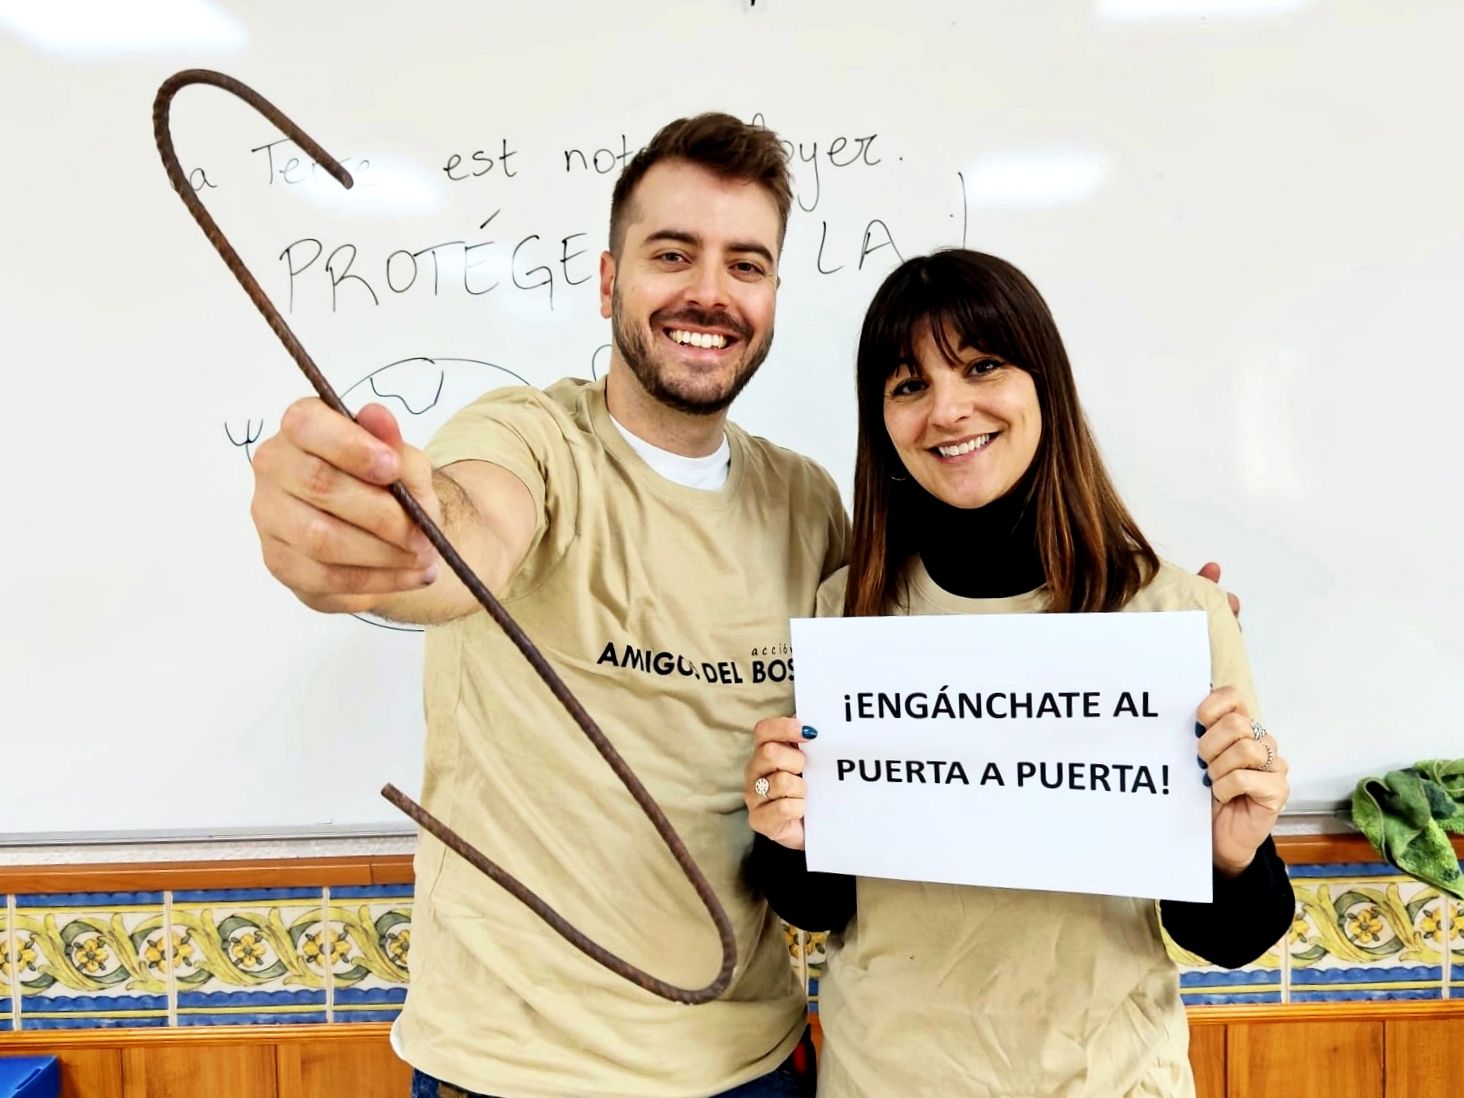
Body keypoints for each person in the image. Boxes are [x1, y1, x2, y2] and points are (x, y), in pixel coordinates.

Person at [250, 114, 843, 1097]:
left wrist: (1126, 630)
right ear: (610, 281)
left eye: (746, 264)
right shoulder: (529, 437)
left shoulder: (811, 505)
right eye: (671, 254)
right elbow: (464, 529)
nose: (709, 292)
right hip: (513, 1074)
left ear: (775, 294)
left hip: (750, 1064)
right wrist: (388, 537)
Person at [743, 250, 1295, 1098]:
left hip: (1106, 1081)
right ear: (882, 421)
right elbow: (818, 906)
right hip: (885, 1077)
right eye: (908, 384)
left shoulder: (1171, 619)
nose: (948, 409)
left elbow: (1234, 938)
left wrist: (1230, 857)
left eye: (982, 366)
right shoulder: (844, 618)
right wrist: (785, 832)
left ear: (1045, 384)